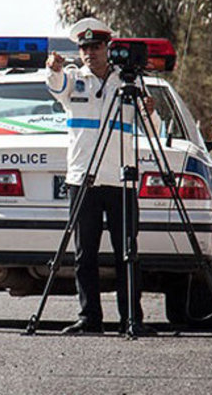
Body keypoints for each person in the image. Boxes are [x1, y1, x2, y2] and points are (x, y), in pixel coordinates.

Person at [46, 17, 159, 335]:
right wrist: (53, 68)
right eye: (84, 47)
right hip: (83, 180)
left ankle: (131, 319)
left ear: (108, 47)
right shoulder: (72, 79)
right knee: (85, 255)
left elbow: (154, 128)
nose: (89, 52)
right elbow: (55, 86)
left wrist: (149, 109)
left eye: (95, 46)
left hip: (122, 180)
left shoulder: (128, 82)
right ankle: (89, 318)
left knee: (128, 253)